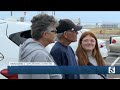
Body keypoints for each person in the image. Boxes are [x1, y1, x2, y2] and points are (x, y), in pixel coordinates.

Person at [18, 14, 62, 79]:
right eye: (54, 31)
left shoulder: (28, 48)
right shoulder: (39, 55)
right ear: (45, 34)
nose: (56, 34)